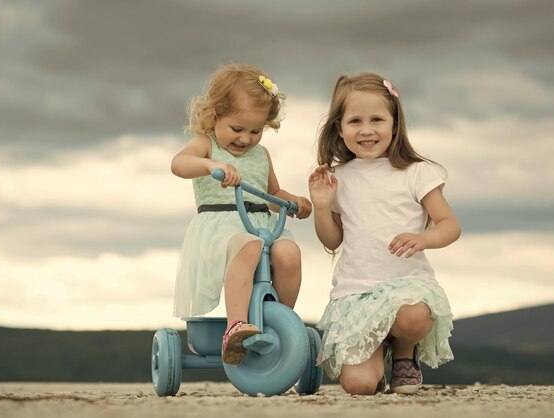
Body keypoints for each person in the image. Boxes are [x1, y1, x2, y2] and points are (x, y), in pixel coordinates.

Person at [308, 72, 461, 395]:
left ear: (395, 123)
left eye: (377, 119)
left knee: (413, 317)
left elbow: (450, 225)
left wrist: (423, 238)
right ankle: (376, 358)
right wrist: (322, 207)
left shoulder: (417, 173)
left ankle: (404, 353)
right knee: (359, 386)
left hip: (406, 289)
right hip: (358, 295)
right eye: (355, 121)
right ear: (340, 128)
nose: (366, 130)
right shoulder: (339, 178)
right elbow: (332, 240)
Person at [171, 63, 312, 365]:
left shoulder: (262, 155)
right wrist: (210, 166)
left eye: (255, 131)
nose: (245, 139)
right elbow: (179, 164)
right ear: (214, 116)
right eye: (237, 129)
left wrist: (294, 202)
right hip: (222, 228)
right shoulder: (206, 145)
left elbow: (273, 196)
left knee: (289, 253)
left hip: (262, 224)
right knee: (248, 246)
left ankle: (281, 323)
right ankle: (235, 327)